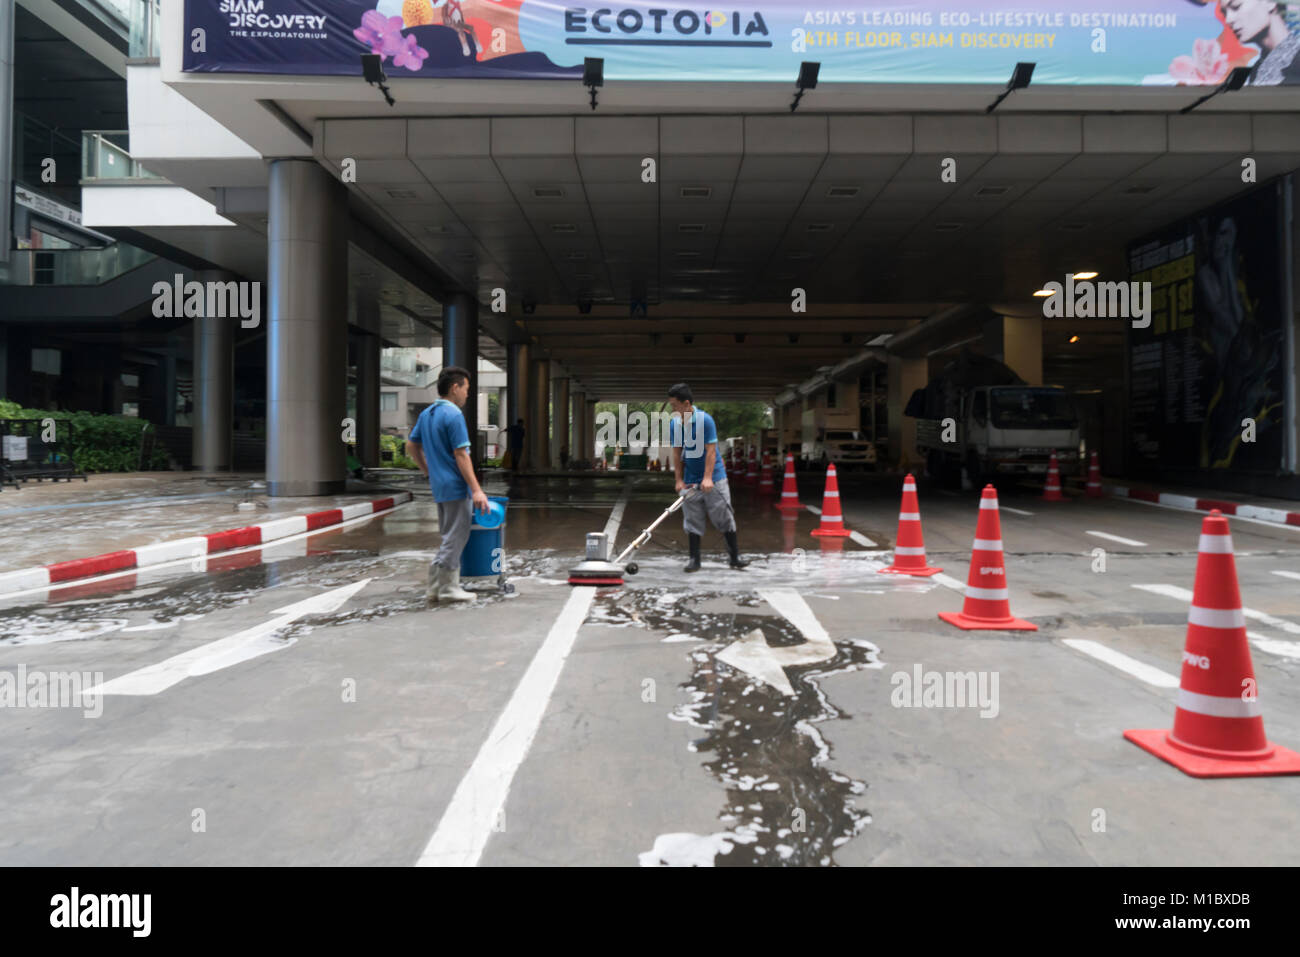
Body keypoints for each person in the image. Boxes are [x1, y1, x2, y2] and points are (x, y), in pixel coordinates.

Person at [406, 366, 490, 603]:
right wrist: (476, 490)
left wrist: (428, 472)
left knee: (448, 534)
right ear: (455, 388)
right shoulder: (453, 415)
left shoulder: (427, 413)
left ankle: (435, 587)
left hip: (439, 485)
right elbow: (461, 454)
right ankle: (448, 588)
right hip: (454, 485)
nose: (467, 394)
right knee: (457, 535)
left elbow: (412, 446)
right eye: (466, 389)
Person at [667, 382, 749, 573]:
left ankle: (734, 558)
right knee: (692, 519)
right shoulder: (675, 424)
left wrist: (707, 478)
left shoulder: (705, 421)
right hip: (690, 479)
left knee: (724, 517)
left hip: (714, 478)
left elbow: (711, 452)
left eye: (674, 406)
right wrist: (678, 480)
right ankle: (694, 560)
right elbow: (677, 453)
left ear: (686, 404)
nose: (673, 409)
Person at [1219, 0, 1300, 84]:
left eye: (1236, 6)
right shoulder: (1257, 70)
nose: (1228, 20)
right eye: (1224, 13)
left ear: (1270, 3)